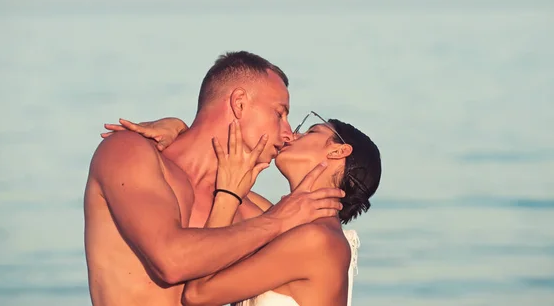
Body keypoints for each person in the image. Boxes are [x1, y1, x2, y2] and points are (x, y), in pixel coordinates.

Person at [84, 51, 345, 306]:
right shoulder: (129, 152)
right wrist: (276, 221)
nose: (288, 133)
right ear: (239, 103)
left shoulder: (247, 209)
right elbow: (170, 262)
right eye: (279, 114)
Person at [109, 111, 382, 306]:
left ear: (338, 152)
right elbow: (204, 181)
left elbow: (197, 294)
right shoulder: (282, 218)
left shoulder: (316, 239)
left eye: (312, 131)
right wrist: (181, 129)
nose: (292, 135)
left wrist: (228, 196)